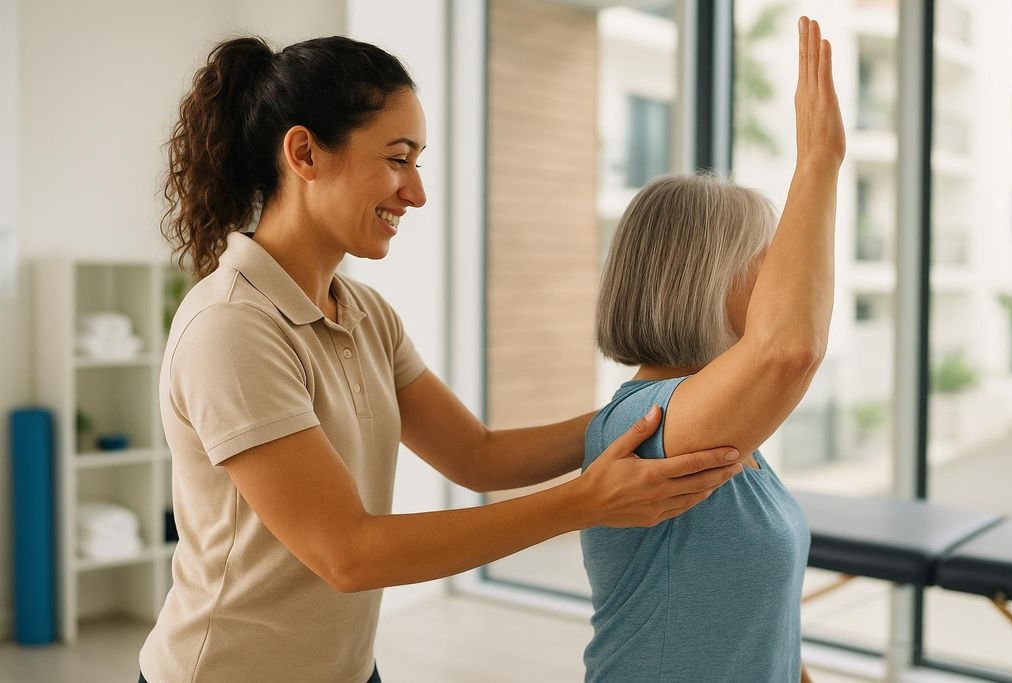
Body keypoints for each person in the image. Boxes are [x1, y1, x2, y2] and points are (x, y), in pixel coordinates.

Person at [137, 35, 744, 683]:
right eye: (399, 160)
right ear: (305, 153)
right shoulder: (231, 327)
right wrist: (584, 501)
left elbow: (476, 453)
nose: (417, 194)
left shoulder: (365, 314)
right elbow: (348, 553)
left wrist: (655, 409)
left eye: (419, 163)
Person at [579, 16, 845, 683]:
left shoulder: (728, 423)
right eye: (766, 261)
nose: (779, 279)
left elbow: (757, 617)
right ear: (705, 282)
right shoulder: (645, 428)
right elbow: (788, 349)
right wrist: (818, 161)